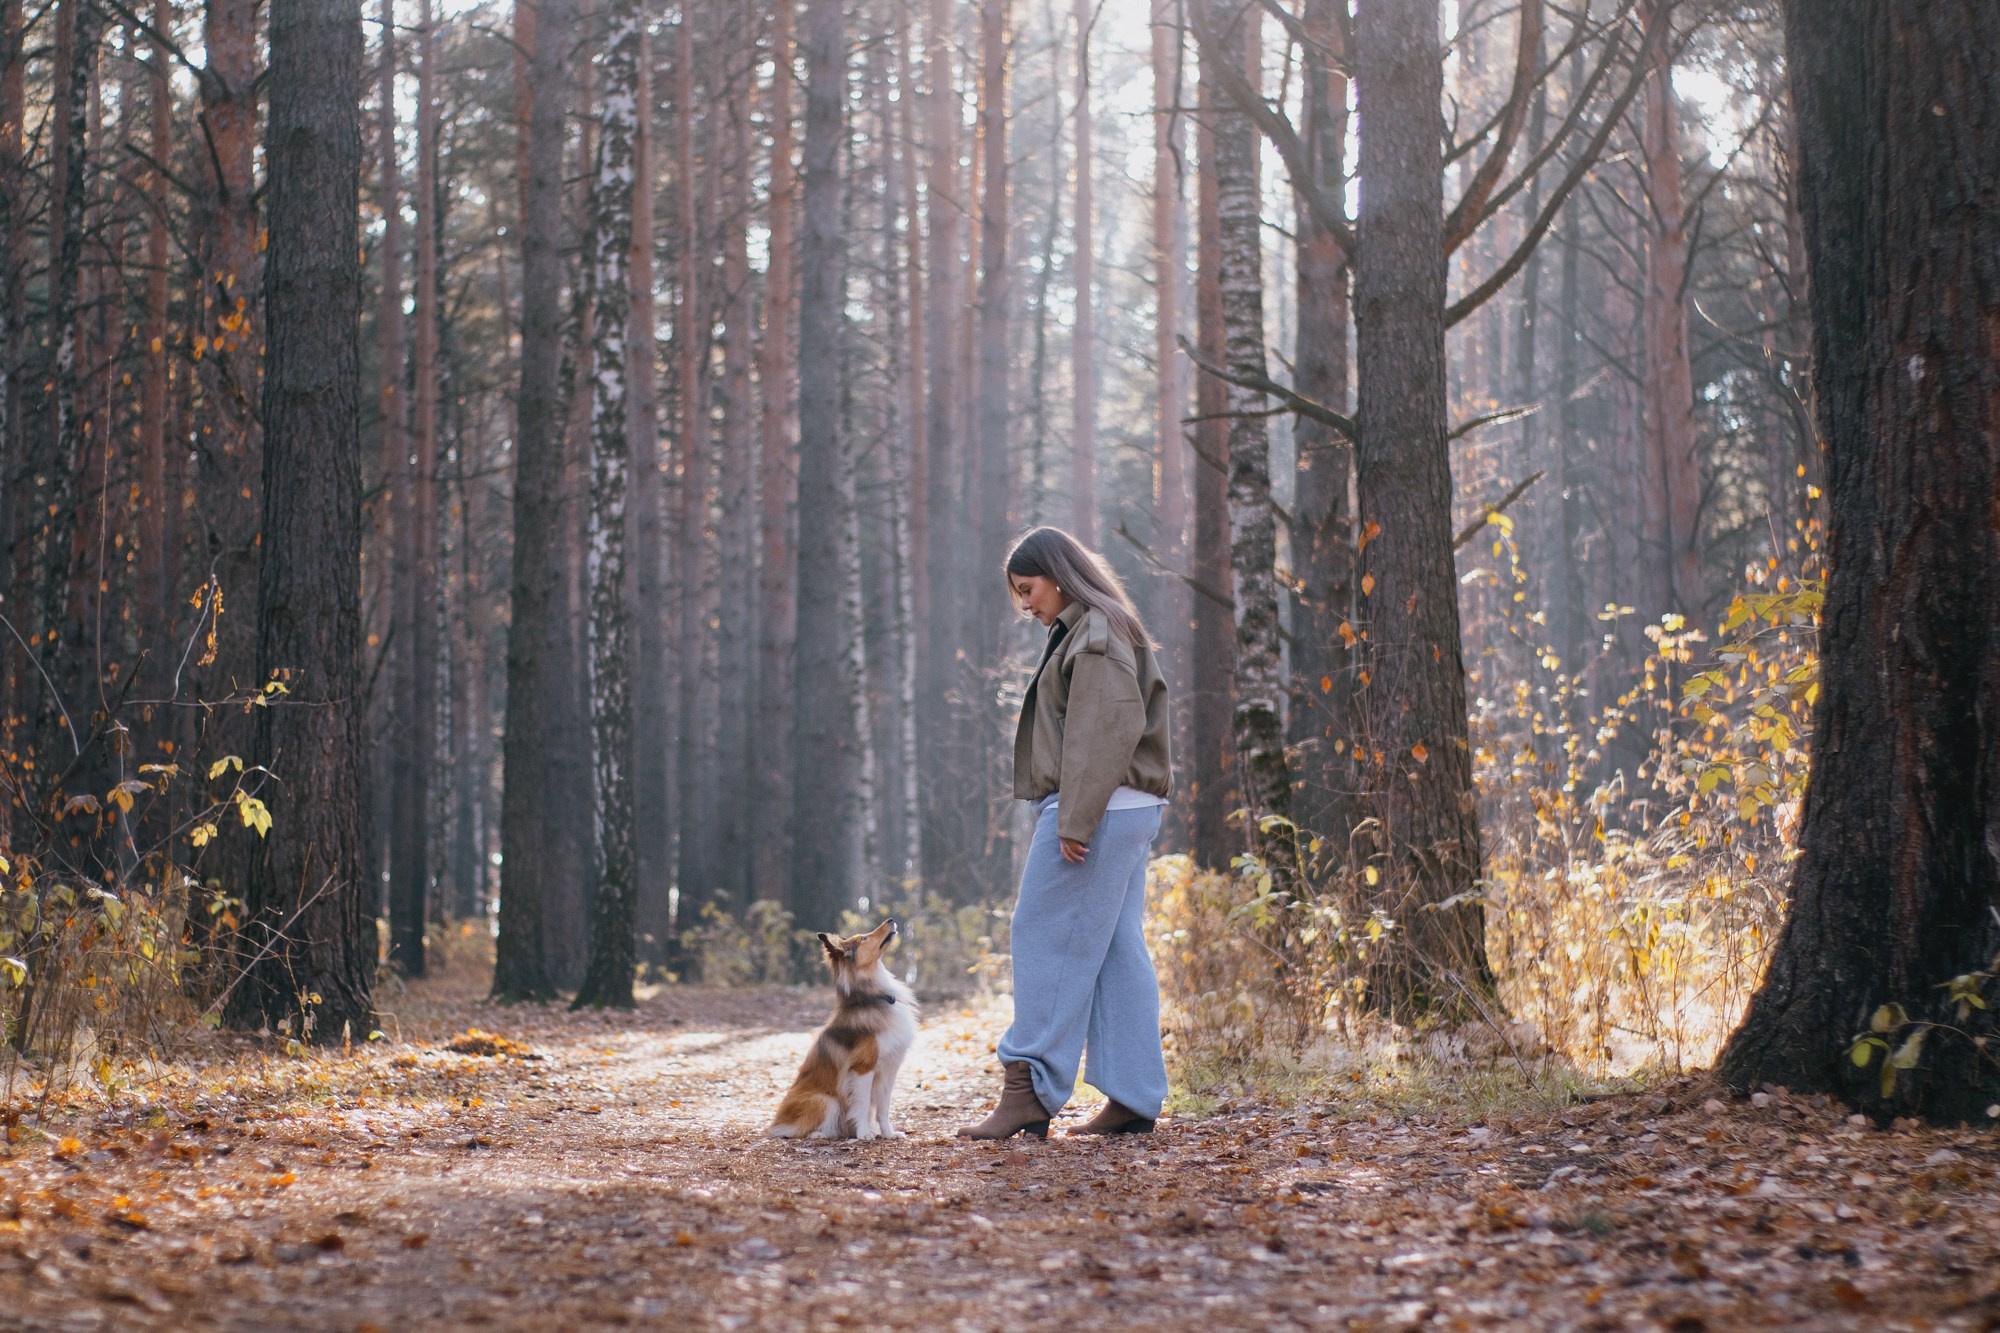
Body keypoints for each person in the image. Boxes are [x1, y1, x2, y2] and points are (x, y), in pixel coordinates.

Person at [959, 527, 1173, 1139]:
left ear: (1059, 576)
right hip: (1124, 806)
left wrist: (1075, 818)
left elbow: (1102, 732)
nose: (1026, 604)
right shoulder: (1095, 628)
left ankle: (1028, 1087)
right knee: (1115, 948)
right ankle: (1133, 1095)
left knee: (1042, 933)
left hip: (1097, 808)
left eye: (1029, 589)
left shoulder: (1096, 635)